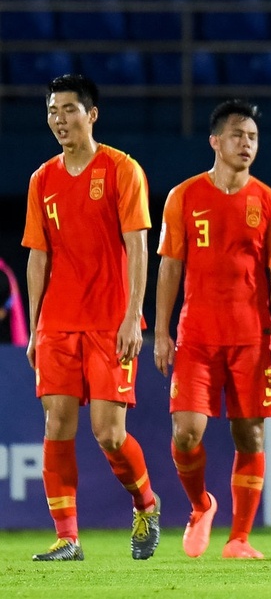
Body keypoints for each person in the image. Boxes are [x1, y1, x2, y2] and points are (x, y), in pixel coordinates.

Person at [22, 74, 160, 562]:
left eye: (69, 110)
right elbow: (38, 256)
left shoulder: (123, 169)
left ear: (92, 114)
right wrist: (37, 325)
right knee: (56, 423)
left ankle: (146, 503)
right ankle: (68, 537)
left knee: (109, 433)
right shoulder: (43, 179)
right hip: (58, 321)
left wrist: (132, 315)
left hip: (109, 321)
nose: (59, 119)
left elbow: (138, 246)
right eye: (52, 111)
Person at [154, 99, 271, 560]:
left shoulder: (269, 203)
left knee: (249, 435)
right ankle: (200, 506)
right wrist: (161, 330)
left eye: (252, 137)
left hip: (252, 340)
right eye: (237, 135)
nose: (246, 144)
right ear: (215, 141)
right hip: (196, 336)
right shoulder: (184, 197)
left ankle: (238, 539)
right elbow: (170, 267)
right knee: (186, 433)